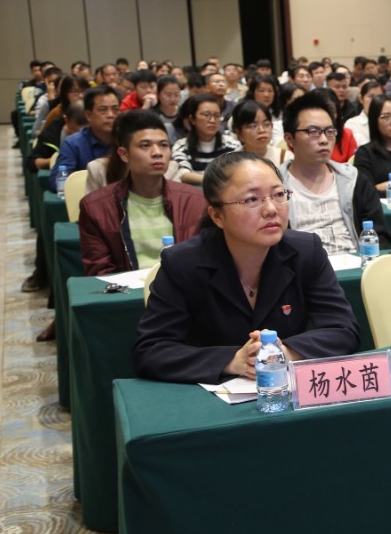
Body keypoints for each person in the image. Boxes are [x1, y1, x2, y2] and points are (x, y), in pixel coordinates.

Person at [133, 153, 360, 384]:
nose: (271, 209)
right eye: (251, 199)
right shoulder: (182, 263)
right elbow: (151, 350)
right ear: (217, 215)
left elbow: (343, 329)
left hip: (284, 390)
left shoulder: (306, 251)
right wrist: (234, 361)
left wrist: (282, 353)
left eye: (278, 194)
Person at [78, 110, 204, 276]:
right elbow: (100, 270)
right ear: (124, 154)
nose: (157, 152)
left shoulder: (195, 201)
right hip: (127, 290)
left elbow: (204, 261)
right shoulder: (96, 207)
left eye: (163, 145)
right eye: (145, 145)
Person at [279, 92, 391, 254]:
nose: (324, 140)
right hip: (304, 267)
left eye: (330, 131)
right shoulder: (275, 187)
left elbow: (380, 236)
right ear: (289, 139)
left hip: (355, 263)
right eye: (313, 131)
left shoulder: (354, 180)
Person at [171, 94, 242, 186]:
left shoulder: (232, 145)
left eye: (217, 115)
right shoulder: (182, 146)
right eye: (206, 115)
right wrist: (219, 181)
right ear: (192, 119)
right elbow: (184, 175)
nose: (212, 120)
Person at [58, 85, 122, 173]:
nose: (110, 115)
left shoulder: (126, 141)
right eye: (103, 110)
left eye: (115, 109)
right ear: (88, 115)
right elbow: (61, 178)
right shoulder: (73, 145)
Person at [231, 99, 287, 166]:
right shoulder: (231, 162)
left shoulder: (284, 157)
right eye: (253, 126)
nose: (262, 130)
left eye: (266, 124)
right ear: (239, 133)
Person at [151, 74, 185, 143]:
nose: (173, 99)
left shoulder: (184, 113)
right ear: (158, 94)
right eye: (168, 95)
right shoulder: (152, 116)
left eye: (176, 95)